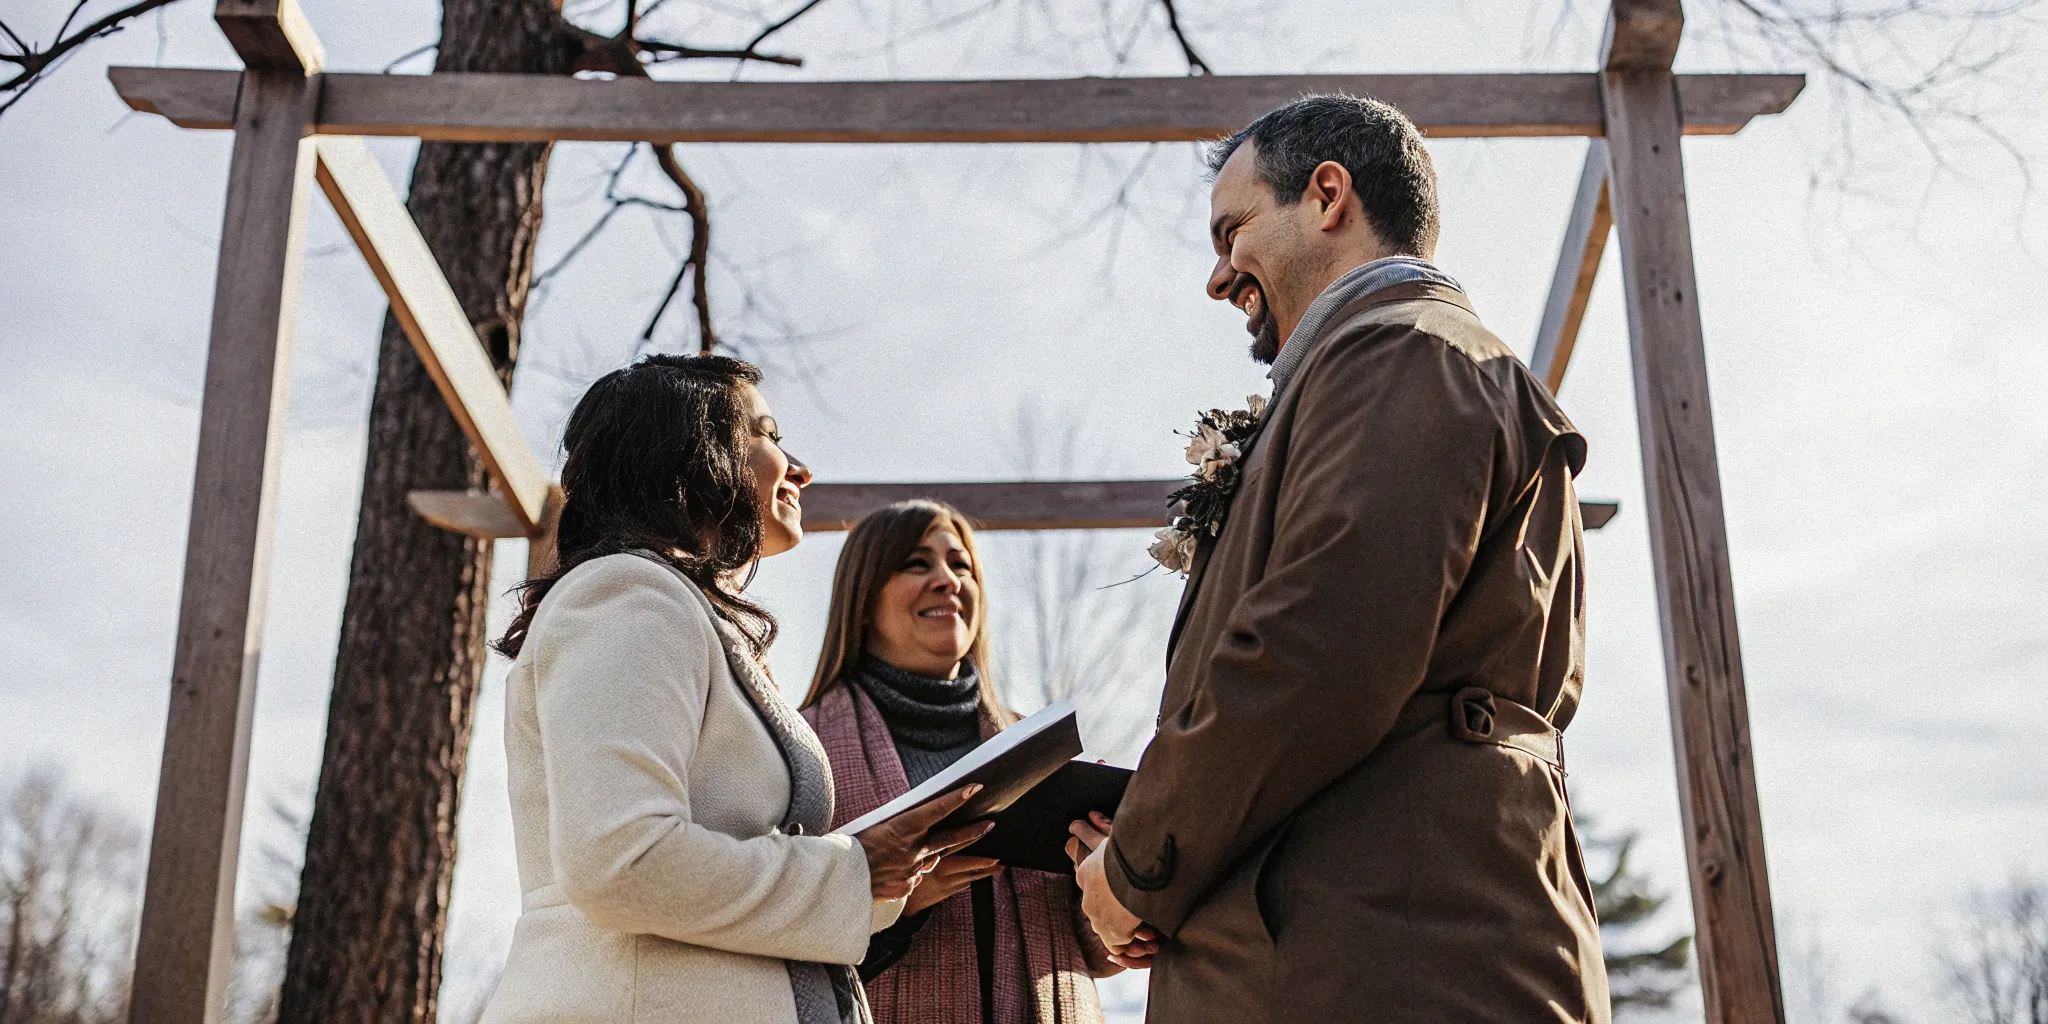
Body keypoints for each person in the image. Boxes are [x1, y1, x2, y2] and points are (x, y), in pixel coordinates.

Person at [1069, 95, 1611, 1022]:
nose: (1217, 276)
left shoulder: (1408, 355)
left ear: (1328, 196)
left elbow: (1318, 652)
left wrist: (1140, 867)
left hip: (1388, 965)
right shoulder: (1371, 372)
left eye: (1232, 231)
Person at [482, 355, 990, 1024]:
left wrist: (878, 883)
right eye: (769, 435)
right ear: (695, 452)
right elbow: (621, 860)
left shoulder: (686, 618)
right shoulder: (628, 599)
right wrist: (854, 873)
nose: (800, 470)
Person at [797, 500, 1123, 1024]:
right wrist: (889, 908)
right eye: (917, 563)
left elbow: (1098, 949)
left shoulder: (1040, 747)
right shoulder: (801, 750)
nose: (947, 580)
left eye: (961, 565)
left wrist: (1110, 871)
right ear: (862, 598)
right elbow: (769, 936)